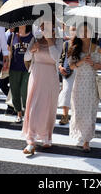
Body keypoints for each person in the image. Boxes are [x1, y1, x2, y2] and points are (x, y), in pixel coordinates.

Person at [22, 21, 62, 155]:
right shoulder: (35, 39)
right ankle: (31, 140)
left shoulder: (58, 40)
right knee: (33, 107)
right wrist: (32, 49)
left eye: (48, 26)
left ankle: (46, 138)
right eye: (43, 26)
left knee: (48, 108)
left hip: (50, 77)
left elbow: (56, 57)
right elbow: (27, 56)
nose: (44, 29)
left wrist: (50, 41)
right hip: (36, 75)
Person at [68, 22, 101, 153]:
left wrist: (93, 63)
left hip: (91, 85)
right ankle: (80, 134)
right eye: (81, 31)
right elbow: (71, 66)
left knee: (90, 112)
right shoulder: (75, 47)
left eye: (86, 31)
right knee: (77, 112)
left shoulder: (96, 48)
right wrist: (81, 62)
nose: (83, 33)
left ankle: (86, 141)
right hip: (78, 84)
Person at [8, 25, 33, 123]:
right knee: (15, 92)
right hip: (14, 67)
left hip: (27, 68)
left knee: (24, 91)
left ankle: (27, 113)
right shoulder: (12, 36)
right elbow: (9, 51)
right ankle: (19, 113)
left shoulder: (32, 36)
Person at [58, 26, 77, 125]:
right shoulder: (66, 44)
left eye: (76, 29)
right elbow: (61, 57)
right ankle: (65, 116)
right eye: (72, 29)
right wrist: (60, 67)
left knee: (77, 95)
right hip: (67, 72)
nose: (74, 31)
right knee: (66, 92)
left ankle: (75, 116)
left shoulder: (84, 44)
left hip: (79, 72)